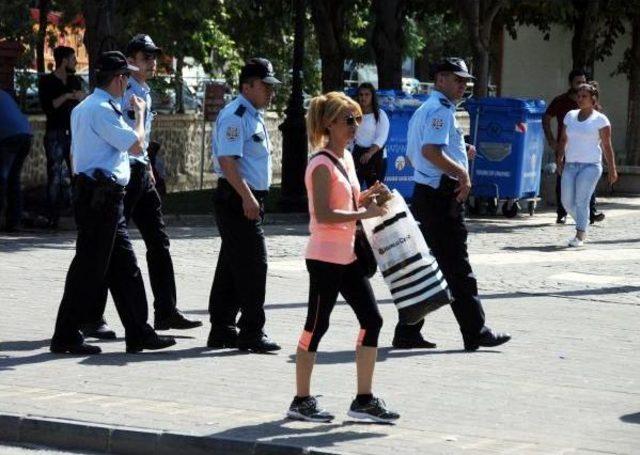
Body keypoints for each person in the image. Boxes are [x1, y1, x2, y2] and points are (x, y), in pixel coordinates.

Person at [50, 51, 176, 355]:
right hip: (101, 198)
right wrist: (142, 115)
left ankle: (138, 331)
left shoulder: (86, 107)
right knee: (89, 269)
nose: (128, 82)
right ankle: (65, 333)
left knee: (125, 268)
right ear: (119, 79)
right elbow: (136, 144)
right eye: (126, 76)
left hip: (99, 195)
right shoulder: (102, 110)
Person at [286, 92, 399, 423]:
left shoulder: (347, 159)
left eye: (358, 119)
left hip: (347, 254)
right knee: (316, 325)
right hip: (324, 257)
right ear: (328, 124)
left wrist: (368, 196)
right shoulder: (320, 164)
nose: (355, 126)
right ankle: (300, 400)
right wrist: (363, 211)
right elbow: (322, 214)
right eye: (348, 120)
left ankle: (363, 400)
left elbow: (346, 202)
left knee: (373, 320)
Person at [82, 35, 201, 340]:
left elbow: (142, 139)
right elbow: (123, 138)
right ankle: (92, 316)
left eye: (153, 57)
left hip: (141, 171)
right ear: (131, 59)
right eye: (146, 57)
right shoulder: (121, 91)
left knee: (158, 241)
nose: (152, 62)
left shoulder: (143, 91)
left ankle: (166, 309)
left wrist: (148, 166)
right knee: (107, 244)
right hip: (122, 173)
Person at [394, 58, 511, 351]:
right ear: (441, 79)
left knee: (429, 265)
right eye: (457, 80)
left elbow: (416, 154)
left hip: (427, 192)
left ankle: (408, 330)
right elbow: (430, 151)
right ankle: (475, 330)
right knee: (456, 266)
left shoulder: (425, 108)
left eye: (465, 81)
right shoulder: (440, 111)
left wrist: (460, 152)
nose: (463, 85)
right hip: (441, 196)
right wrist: (460, 172)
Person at [207, 58, 281, 353]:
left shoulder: (252, 114)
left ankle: (222, 329)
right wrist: (248, 197)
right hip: (238, 198)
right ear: (247, 85)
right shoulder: (236, 115)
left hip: (247, 197)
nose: (270, 92)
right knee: (254, 265)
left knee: (231, 266)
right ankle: (252, 330)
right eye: (265, 86)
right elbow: (228, 162)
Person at [557, 82, 617, 247]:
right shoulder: (570, 116)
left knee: (582, 200)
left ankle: (579, 235)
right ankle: (583, 222)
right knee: (567, 201)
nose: (580, 99)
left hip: (590, 166)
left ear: (593, 99)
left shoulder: (601, 120)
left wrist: (612, 169)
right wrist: (559, 158)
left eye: (584, 96)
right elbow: (563, 139)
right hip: (570, 165)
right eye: (579, 96)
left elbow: (606, 146)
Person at [543, 69, 605, 225]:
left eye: (583, 82)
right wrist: (551, 139)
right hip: (566, 148)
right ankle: (562, 213)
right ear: (571, 83)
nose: (580, 86)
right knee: (563, 181)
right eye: (578, 82)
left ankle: (591, 212)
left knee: (588, 181)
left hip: (586, 151)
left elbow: (599, 123)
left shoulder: (590, 102)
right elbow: (546, 118)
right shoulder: (561, 101)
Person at [38, 46, 85, 229]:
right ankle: (53, 217)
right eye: (73, 59)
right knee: (55, 174)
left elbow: (82, 101)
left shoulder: (75, 80)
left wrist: (78, 97)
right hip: (55, 133)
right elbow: (49, 107)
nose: (75, 62)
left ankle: (79, 213)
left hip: (73, 133)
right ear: (64, 60)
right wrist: (66, 96)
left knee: (77, 173)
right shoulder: (47, 81)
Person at [0, 89, 32, 232]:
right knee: (13, 179)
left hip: (9, 137)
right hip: (25, 133)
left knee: (2, 178)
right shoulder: (4, 94)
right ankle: (14, 221)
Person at [352, 82, 389, 187]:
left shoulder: (381, 114)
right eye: (361, 94)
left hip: (376, 156)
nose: (363, 97)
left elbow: (381, 137)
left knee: (374, 195)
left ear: (372, 96)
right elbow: (349, 134)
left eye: (367, 94)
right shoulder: (354, 114)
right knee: (354, 190)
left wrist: (369, 154)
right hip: (358, 155)